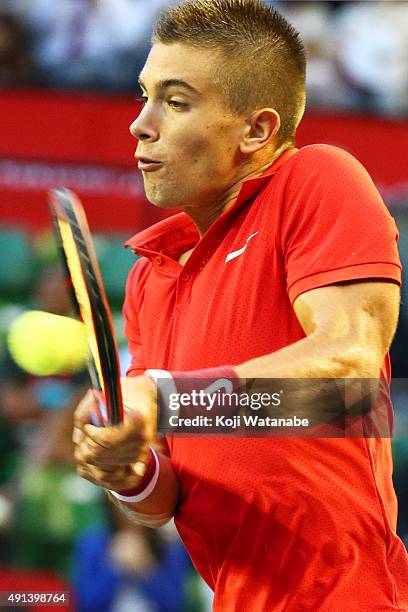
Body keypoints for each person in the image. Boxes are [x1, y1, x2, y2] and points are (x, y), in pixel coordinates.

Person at [73, 1, 408, 610]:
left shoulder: (317, 179)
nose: (139, 125)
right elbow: (164, 500)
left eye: (175, 102)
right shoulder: (153, 276)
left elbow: (351, 373)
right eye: (144, 95)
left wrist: (167, 400)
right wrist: (128, 467)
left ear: (256, 130)